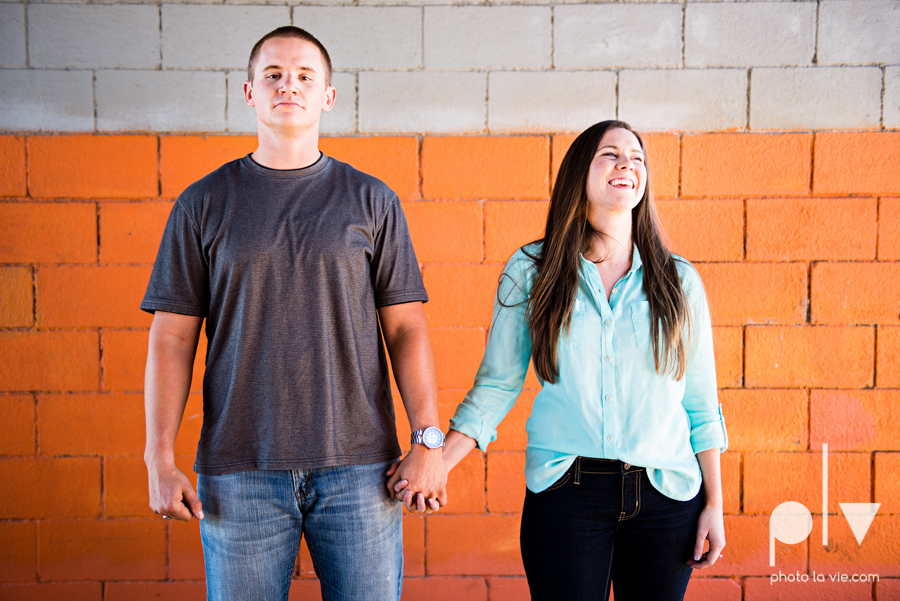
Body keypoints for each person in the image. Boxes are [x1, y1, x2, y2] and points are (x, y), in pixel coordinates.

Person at [141, 26, 447, 601]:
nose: (289, 86)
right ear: (249, 92)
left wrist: (427, 439)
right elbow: (171, 340)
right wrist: (158, 457)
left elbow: (406, 327)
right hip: (239, 472)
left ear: (328, 96)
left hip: (361, 471)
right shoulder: (202, 203)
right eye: (274, 75)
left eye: (305, 76)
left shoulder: (372, 200)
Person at [421, 120, 727, 600]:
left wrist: (715, 503)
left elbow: (700, 403)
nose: (627, 163)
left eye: (637, 157)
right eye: (610, 154)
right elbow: (498, 384)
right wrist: (438, 461)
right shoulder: (531, 270)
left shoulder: (678, 279)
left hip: (668, 498)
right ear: (578, 173)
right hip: (567, 494)